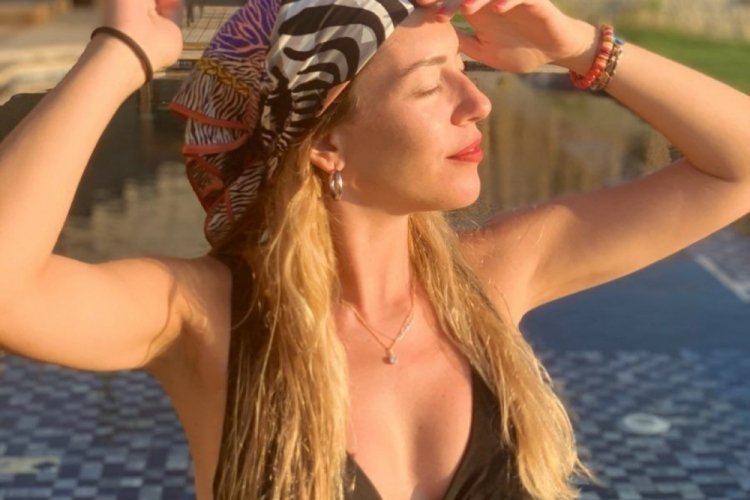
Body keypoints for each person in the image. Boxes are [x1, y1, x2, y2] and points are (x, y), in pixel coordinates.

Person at [0, 0, 747, 498]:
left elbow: (737, 167)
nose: (478, 102)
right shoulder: (210, 317)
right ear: (324, 142)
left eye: (464, 71)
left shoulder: (490, 279)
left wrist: (579, 46)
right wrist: (123, 53)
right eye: (430, 86)